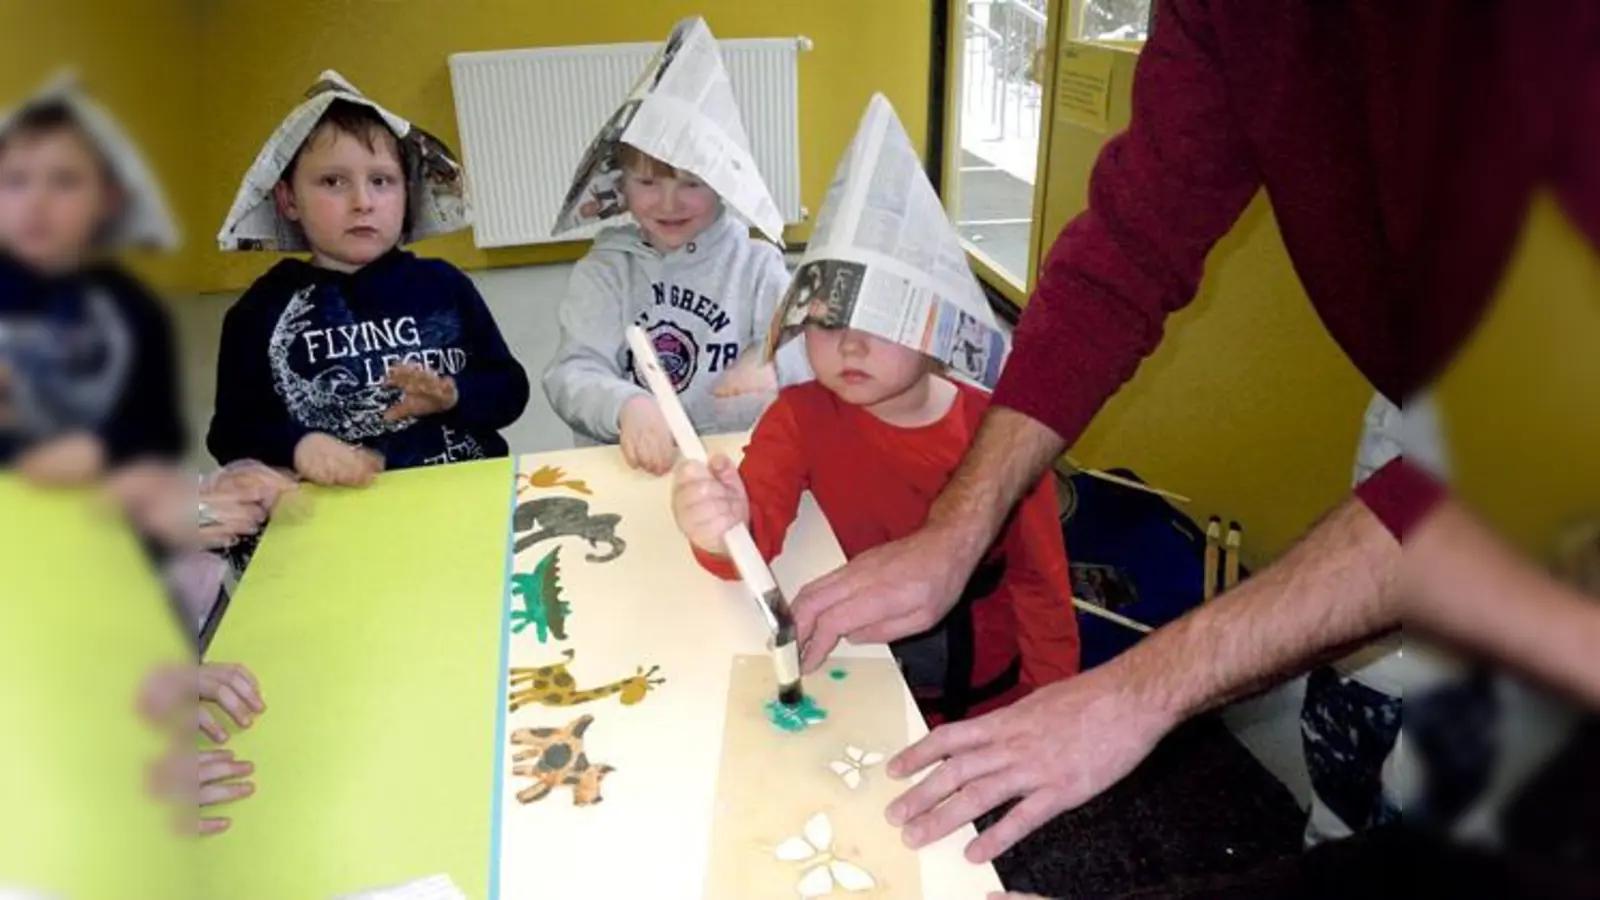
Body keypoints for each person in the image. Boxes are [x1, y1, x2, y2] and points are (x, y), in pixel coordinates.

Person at [774, 0, 1600, 868]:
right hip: (1434, 397)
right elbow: (1125, 253)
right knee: (1355, 744)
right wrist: (957, 525)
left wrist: (1142, 687)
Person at [672, 324, 1079, 724]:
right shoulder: (800, 414)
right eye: (829, 322)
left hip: (986, 702)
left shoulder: (1003, 438)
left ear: (940, 327)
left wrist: (1047, 708)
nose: (851, 345)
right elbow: (751, 538)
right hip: (857, 682)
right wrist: (720, 530)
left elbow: (1041, 584)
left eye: (883, 319)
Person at [208, 73, 529, 484]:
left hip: (464, 495)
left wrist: (453, 393)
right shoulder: (259, 312)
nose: (363, 202)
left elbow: (510, 390)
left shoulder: (444, 285)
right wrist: (297, 445)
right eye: (333, 182)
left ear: (406, 194)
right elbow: (231, 434)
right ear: (288, 200)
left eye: (381, 181)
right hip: (338, 515)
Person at [543, 17, 807, 475]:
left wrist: (771, 364)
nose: (668, 203)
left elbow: (807, 351)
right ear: (620, 185)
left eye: (691, 183)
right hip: (633, 465)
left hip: (737, 465)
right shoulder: (605, 272)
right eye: (647, 181)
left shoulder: (758, 267)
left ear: (725, 184)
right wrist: (627, 406)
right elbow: (572, 374)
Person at [0, 81, 185, 480]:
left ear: (109, 199)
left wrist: (104, 448)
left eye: (65, 180)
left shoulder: (136, 309)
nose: (36, 201)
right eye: (15, 181)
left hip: (90, 511)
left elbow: (162, 431)